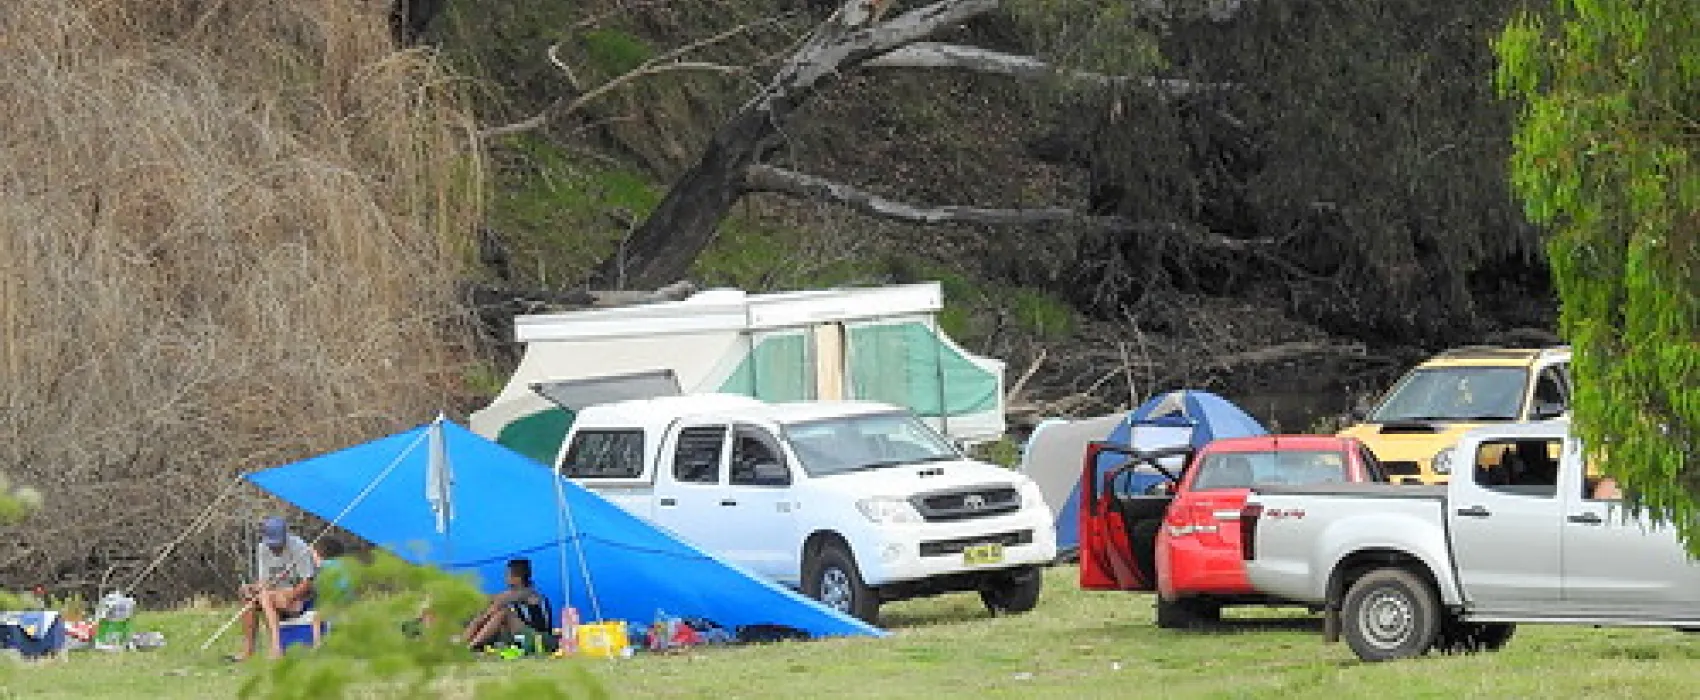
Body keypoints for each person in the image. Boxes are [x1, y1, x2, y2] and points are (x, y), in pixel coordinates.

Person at [233, 516, 317, 661]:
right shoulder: (262, 548)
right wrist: (253, 588)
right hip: (273, 593)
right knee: (249, 597)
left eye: (278, 544)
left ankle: (276, 648)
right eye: (271, 545)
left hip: (297, 595)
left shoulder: (299, 547)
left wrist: (291, 596)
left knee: (266, 597)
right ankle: (248, 650)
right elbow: (265, 582)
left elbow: (308, 582)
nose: (274, 548)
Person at [462, 559, 552, 652]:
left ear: (517, 578)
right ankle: (465, 644)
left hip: (540, 639)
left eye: (507, 575)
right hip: (528, 637)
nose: (505, 578)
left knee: (504, 613)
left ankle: (468, 646)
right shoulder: (522, 593)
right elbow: (494, 599)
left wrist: (478, 619)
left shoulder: (524, 593)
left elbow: (496, 602)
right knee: (496, 620)